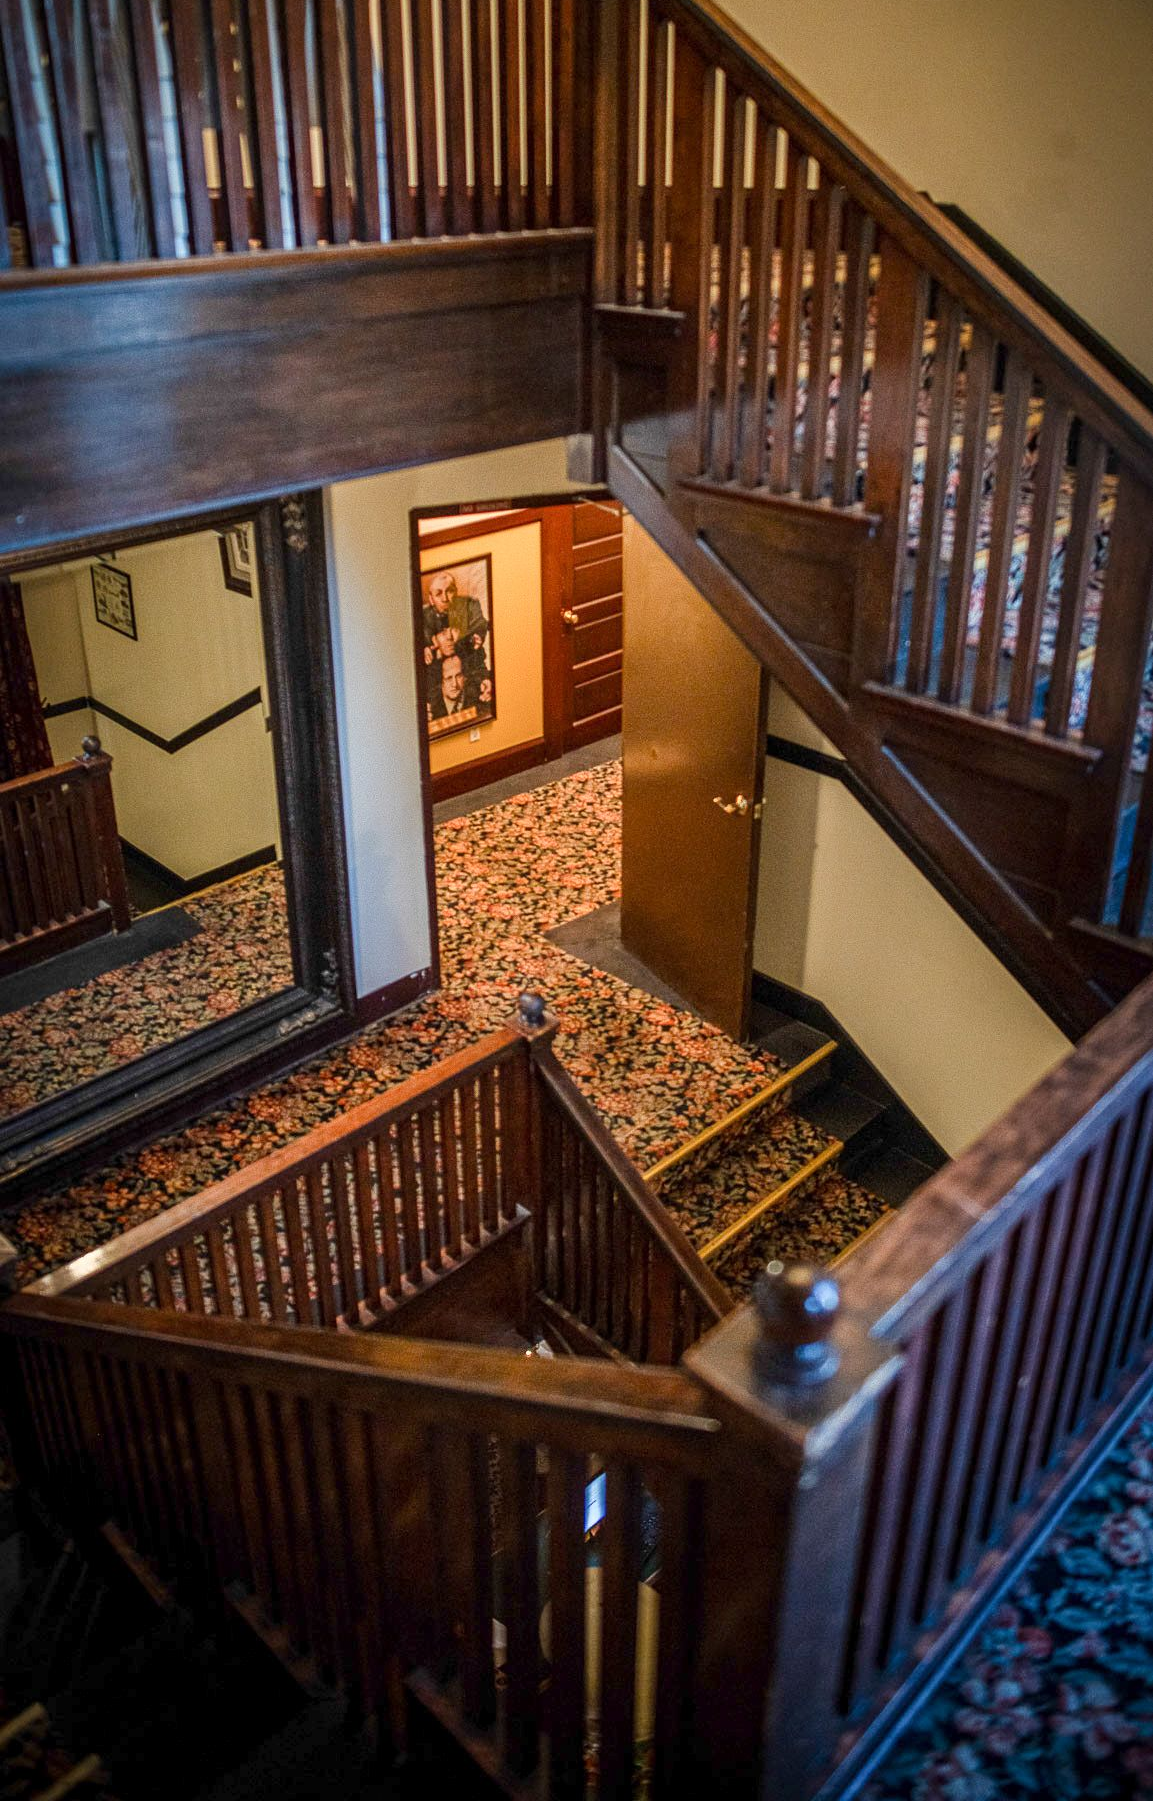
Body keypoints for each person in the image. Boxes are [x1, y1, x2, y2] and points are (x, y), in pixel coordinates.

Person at [423, 569, 488, 675]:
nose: (445, 598)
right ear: (431, 599)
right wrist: (425, 647)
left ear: (456, 592)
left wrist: (475, 636)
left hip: (469, 669)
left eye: (449, 591)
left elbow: (480, 624)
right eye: (438, 594)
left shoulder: (470, 605)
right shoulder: (423, 614)